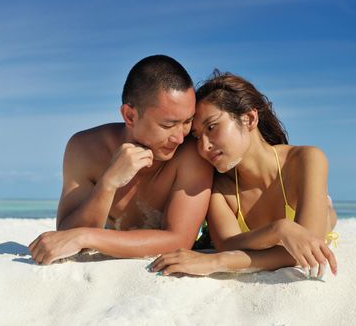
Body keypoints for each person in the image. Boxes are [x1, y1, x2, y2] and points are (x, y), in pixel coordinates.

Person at [149, 71, 338, 278]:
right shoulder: (219, 187)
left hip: (321, 219)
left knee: (327, 217)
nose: (204, 146)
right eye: (197, 137)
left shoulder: (305, 160)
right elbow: (227, 244)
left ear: (249, 118)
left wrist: (216, 262)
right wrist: (279, 230)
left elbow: (308, 246)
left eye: (212, 127)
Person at [29, 55, 213, 265]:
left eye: (187, 121)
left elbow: (180, 240)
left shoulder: (191, 153)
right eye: (168, 125)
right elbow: (65, 236)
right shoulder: (85, 148)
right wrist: (108, 183)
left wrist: (86, 236)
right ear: (130, 116)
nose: (180, 137)